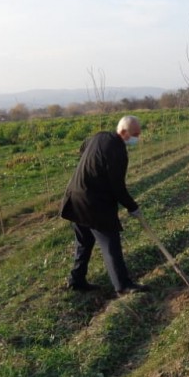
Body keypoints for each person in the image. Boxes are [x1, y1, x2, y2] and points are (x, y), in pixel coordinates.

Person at [60, 115, 149, 295]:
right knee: (111, 245)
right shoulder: (118, 151)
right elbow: (117, 187)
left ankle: (76, 279)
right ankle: (123, 285)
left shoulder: (98, 137)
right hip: (93, 204)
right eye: (135, 135)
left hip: (74, 196)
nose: (137, 138)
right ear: (123, 132)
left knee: (84, 242)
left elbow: (83, 147)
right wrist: (133, 207)